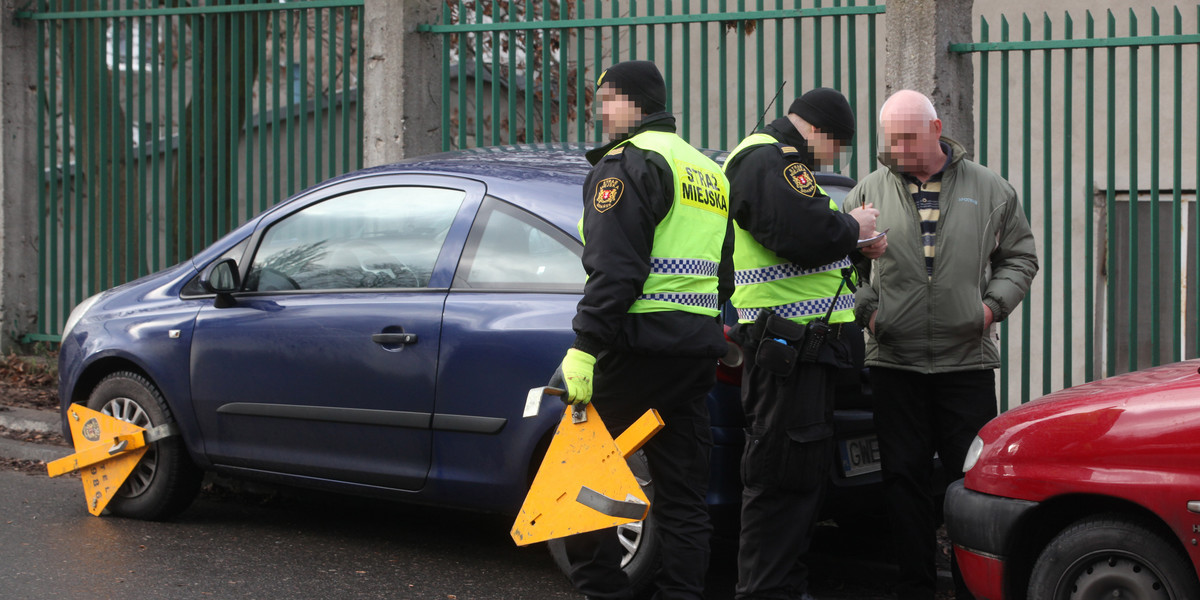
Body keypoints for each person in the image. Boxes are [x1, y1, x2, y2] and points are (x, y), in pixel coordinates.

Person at [842, 89, 1039, 600]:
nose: (898, 149)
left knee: (971, 483)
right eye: (891, 139)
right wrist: (870, 313)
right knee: (903, 481)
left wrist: (990, 308)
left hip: (965, 362)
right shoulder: (867, 192)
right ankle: (914, 587)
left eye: (908, 137)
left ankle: (974, 588)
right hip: (894, 361)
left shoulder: (990, 188)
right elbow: (844, 268)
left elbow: (1020, 257)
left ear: (936, 128)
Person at [556, 60, 734, 600]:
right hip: (693, 354)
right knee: (683, 496)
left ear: (634, 102)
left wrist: (586, 347)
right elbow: (723, 271)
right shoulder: (708, 172)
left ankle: (602, 592)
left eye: (606, 100)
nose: (601, 112)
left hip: (632, 350)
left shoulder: (627, 165)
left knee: (579, 483)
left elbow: (616, 270)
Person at [722, 87, 884, 600]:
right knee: (780, 481)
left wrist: (855, 246)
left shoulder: (784, 163)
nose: (833, 158)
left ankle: (783, 587)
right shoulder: (766, 158)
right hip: (785, 352)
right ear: (820, 130)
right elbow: (798, 231)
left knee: (798, 483)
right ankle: (767, 590)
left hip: (805, 353)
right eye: (836, 147)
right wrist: (851, 226)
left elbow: (810, 259)